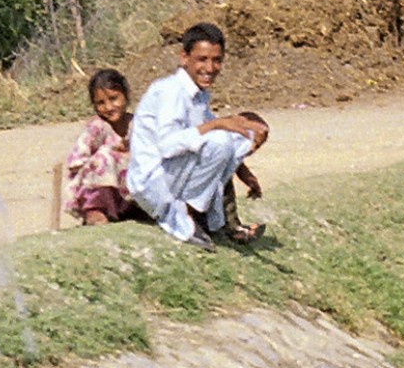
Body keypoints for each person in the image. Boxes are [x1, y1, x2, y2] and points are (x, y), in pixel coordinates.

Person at [128, 26, 269, 247]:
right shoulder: (170, 91)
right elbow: (168, 146)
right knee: (220, 139)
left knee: (244, 134)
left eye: (217, 60)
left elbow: (207, 137)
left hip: (174, 174)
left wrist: (245, 173)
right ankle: (188, 212)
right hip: (153, 181)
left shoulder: (199, 94)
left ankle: (203, 209)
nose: (210, 68)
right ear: (184, 58)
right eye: (202, 59)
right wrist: (217, 124)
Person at [64, 68, 137, 225]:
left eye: (113, 99)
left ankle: (135, 207)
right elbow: (75, 162)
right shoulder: (97, 127)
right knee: (106, 157)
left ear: (126, 95)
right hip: (97, 190)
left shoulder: (136, 124)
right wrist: (112, 156)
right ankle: (96, 210)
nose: (109, 107)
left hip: (129, 189)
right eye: (101, 103)